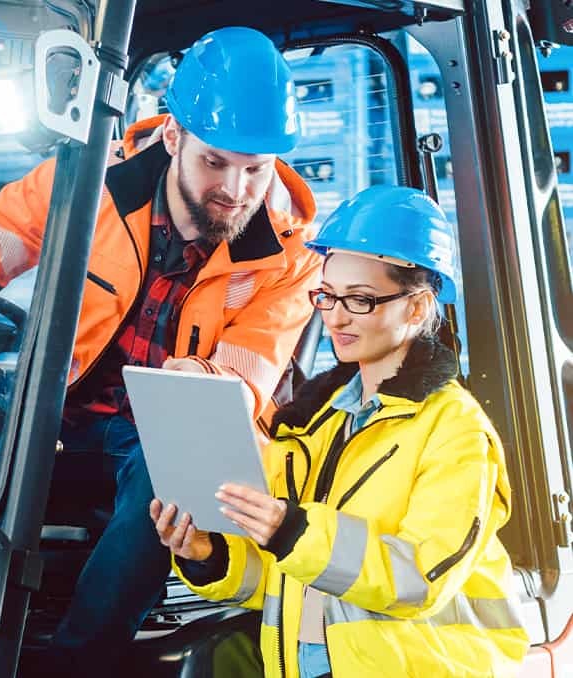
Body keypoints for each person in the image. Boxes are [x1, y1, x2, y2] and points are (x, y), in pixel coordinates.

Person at [0, 27, 321, 672]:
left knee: (171, 477)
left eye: (254, 169)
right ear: (175, 137)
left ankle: (78, 661)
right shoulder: (88, 181)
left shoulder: (290, 258)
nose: (236, 189)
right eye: (216, 162)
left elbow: (249, 376)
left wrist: (199, 378)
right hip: (55, 403)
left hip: (160, 431)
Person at [152, 185, 530, 678]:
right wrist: (207, 554)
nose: (335, 316)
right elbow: (291, 578)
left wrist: (292, 528)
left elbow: (418, 578)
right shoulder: (316, 426)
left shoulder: (455, 433)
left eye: (360, 300)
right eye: (327, 296)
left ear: (417, 307)